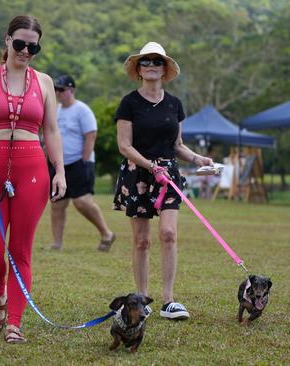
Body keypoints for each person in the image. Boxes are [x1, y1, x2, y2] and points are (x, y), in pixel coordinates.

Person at [0, 15, 66, 344]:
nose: (25, 51)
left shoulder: (45, 82)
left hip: (32, 168)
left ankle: (15, 323)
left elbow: (51, 130)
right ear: (8, 40)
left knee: (20, 250)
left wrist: (60, 170)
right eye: (20, 43)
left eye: (32, 46)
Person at [113, 42, 214, 321]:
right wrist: (150, 165)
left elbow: (178, 144)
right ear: (138, 69)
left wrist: (198, 160)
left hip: (168, 175)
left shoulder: (174, 104)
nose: (151, 66)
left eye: (157, 61)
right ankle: (141, 300)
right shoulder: (129, 103)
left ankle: (168, 301)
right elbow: (124, 145)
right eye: (145, 62)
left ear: (165, 68)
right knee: (142, 240)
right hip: (139, 173)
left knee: (169, 234)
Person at [48, 74, 115, 251]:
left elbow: (91, 135)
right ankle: (57, 243)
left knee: (82, 202)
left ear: (71, 90)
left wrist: (84, 160)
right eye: (56, 89)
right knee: (57, 203)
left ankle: (107, 233)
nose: (58, 93)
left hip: (79, 163)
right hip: (60, 165)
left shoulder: (82, 110)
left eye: (61, 89)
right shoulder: (56, 110)